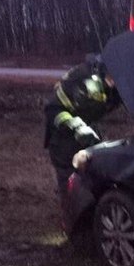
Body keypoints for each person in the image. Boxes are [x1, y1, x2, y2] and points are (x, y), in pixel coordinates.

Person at [44, 55, 121, 199]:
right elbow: (52, 109)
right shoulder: (80, 79)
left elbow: (117, 100)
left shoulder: (112, 81)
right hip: (62, 139)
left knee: (95, 173)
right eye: (112, 79)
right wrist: (76, 127)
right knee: (70, 181)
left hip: (88, 129)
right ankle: (68, 213)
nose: (114, 83)